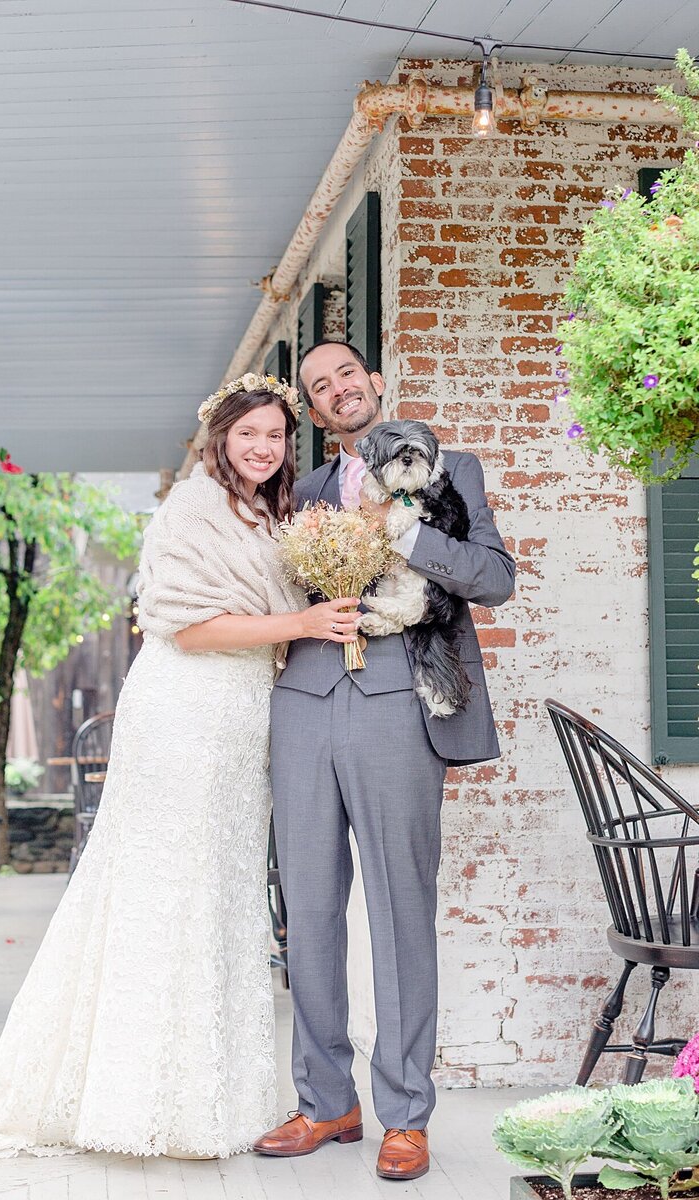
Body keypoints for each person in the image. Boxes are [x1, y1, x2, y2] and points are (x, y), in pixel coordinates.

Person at [0, 376, 360, 1163]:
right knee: (166, 886)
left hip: (244, 716)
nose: (262, 447)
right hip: (186, 709)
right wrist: (305, 622)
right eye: (248, 433)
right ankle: (144, 1095)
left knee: (220, 888)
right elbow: (188, 628)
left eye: (275, 435)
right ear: (220, 438)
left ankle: (216, 1090)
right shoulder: (193, 506)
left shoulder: (269, 512)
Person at [255, 341, 516, 1182]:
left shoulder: (451, 470)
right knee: (308, 909)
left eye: (346, 375)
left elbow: (494, 578)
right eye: (319, 387)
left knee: (401, 908)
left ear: (374, 381)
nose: (337, 391)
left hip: (400, 700)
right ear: (314, 411)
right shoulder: (299, 493)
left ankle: (405, 1116)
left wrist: (403, 529)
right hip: (302, 703)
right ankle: (325, 1101)